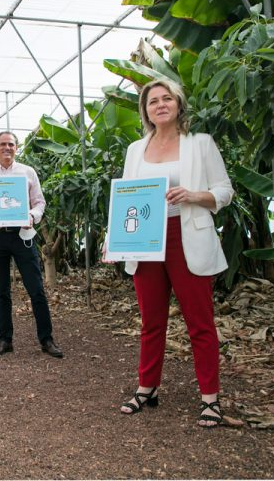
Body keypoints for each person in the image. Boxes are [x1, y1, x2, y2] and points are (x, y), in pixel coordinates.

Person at [110, 79, 234, 427]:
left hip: (186, 236)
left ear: (179, 104)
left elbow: (225, 191)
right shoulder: (136, 149)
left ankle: (210, 398)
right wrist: (115, 238)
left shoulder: (200, 144)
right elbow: (127, 199)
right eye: (153, 101)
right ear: (145, 110)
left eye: (167, 99)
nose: (160, 104)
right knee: (151, 321)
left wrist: (193, 195)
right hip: (146, 239)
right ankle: (147, 387)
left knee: (200, 322)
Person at [0, 131, 63, 358]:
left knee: (36, 289)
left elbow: (39, 202)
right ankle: (5, 340)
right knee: (1, 291)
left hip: (23, 234)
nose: (7, 148)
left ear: (16, 147)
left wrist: (32, 216)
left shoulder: (28, 172)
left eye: (11, 144)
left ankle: (47, 339)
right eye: (3, 144)